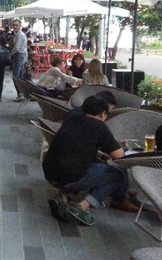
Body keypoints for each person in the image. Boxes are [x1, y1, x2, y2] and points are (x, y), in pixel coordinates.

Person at [43, 96, 134, 226]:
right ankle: (82, 207)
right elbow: (119, 156)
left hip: (50, 173)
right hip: (72, 176)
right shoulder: (99, 126)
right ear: (103, 113)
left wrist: (102, 155)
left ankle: (63, 198)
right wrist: (122, 147)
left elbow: (78, 145)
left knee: (83, 168)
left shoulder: (73, 118)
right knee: (117, 175)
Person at [10, 19, 28, 101]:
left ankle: (20, 94)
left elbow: (17, 48)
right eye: (13, 25)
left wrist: (11, 54)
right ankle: (21, 94)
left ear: (20, 26)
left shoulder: (20, 35)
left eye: (16, 25)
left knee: (16, 76)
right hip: (21, 55)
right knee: (19, 76)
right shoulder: (17, 34)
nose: (15, 26)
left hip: (20, 55)